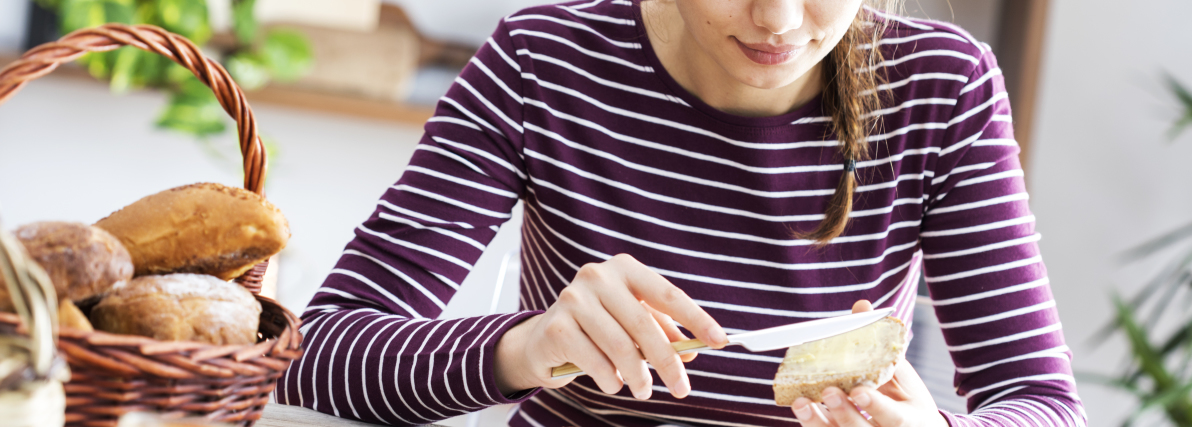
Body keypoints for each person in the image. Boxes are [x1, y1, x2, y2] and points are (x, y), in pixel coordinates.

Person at [275, 0, 1086, 425]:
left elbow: (1045, 405)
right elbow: (318, 350)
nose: (777, 20)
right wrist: (529, 346)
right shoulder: (541, 61)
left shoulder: (944, 87)